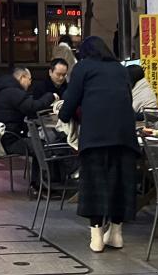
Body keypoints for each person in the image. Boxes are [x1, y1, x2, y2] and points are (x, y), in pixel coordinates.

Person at [59, 36, 139, 253]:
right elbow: (127, 99)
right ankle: (116, 233)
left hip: (96, 136)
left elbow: (70, 101)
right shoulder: (120, 69)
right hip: (124, 136)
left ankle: (96, 237)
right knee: (119, 183)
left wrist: (64, 116)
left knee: (95, 184)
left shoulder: (83, 67)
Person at [0, 66, 58, 155]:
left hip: (3, 138)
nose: (30, 83)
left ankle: (41, 164)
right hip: (11, 141)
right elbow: (33, 107)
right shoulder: (13, 92)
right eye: (29, 79)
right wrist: (51, 96)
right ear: (22, 77)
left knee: (40, 144)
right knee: (45, 148)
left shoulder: (4, 91)